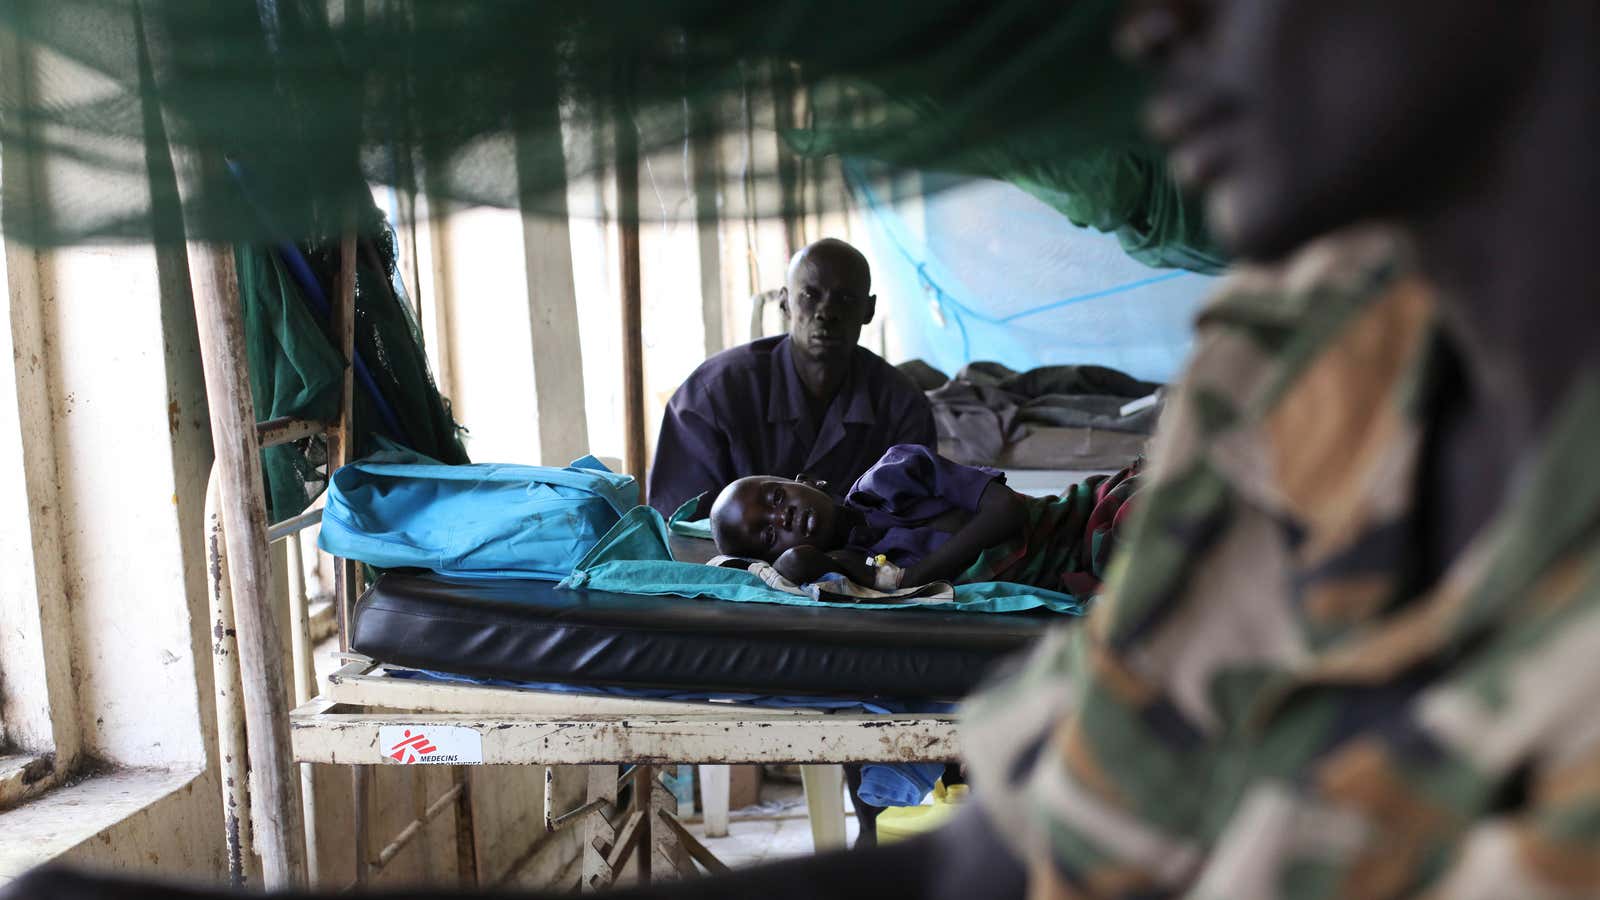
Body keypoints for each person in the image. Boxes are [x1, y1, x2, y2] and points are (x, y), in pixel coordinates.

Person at [9, 0, 1599, 897]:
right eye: (814, 309)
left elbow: (946, 515)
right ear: (782, 306)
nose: (1159, 29)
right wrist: (781, 535)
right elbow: (1033, 852)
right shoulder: (1310, 365)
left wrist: (892, 533)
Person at [646, 238, 936, 518]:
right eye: (810, 295)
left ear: (868, 310)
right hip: (729, 566)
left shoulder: (902, 405)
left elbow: (916, 524)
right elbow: (679, 525)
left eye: (846, 299)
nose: (826, 312)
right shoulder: (714, 393)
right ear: (785, 304)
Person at [710, 443, 1140, 597]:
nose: (781, 514)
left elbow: (1006, 512)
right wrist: (809, 563)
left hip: (1086, 519)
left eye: (775, 495)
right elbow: (797, 568)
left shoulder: (894, 472)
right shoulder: (858, 578)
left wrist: (917, 575)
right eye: (768, 532)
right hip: (1079, 572)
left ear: (808, 481)